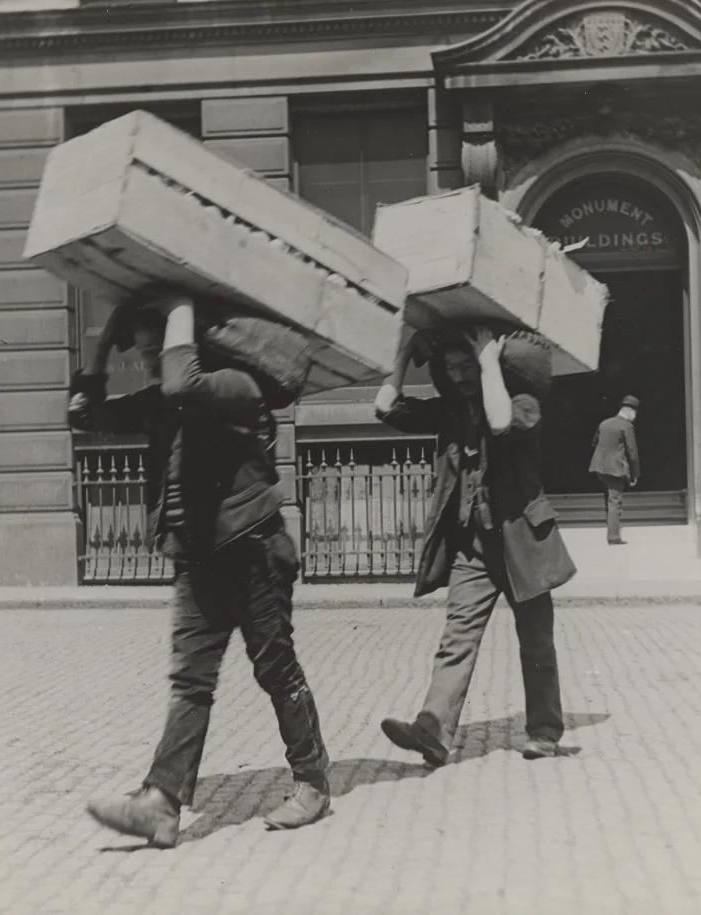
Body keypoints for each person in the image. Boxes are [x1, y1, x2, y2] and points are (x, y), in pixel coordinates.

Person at [72, 293, 330, 848]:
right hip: (198, 559)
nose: (146, 362)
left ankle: (313, 783)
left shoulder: (239, 386)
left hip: (254, 553)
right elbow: (85, 415)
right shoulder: (166, 402)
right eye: (141, 353)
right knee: (190, 682)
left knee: (276, 671)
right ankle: (162, 805)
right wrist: (104, 339)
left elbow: (183, 382)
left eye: (154, 350)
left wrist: (181, 306)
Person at [374, 325, 576, 766]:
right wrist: (404, 352)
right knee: (456, 639)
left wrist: (488, 363)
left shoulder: (524, 404)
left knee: (536, 644)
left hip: (523, 543)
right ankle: (432, 730)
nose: (461, 376)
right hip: (473, 549)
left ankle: (544, 731)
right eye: (452, 368)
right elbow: (385, 407)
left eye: (469, 366)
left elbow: (501, 423)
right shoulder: (451, 411)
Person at [589, 396, 641, 546]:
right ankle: (613, 536)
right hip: (615, 468)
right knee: (615, 501)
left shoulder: (604, 423)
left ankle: (611, 527)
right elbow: (633, 452)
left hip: (599, 467)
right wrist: (635, 474)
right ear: (630, 412)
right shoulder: (627, 426)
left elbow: (594, 443)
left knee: (609, 498)